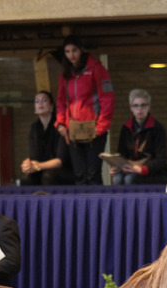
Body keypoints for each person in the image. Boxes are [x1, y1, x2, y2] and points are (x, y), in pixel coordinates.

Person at [55, 35, 114, 185]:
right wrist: (60, 123)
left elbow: (107, 99)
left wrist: (100, 127)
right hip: (73, 129)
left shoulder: (97, 69)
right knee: (80, 175)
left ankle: (97, 207)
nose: (71, 55)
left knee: (93, 174)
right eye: (67, 52)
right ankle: (82, 208)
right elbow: (61, 100)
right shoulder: (65, 74)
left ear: (81, 50)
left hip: (94, 128)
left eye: (74, 50)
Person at [111, 89, 167, 185]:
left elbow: (161, 160)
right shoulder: (126, 128)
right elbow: (122, 154)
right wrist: (117, 167)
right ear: (131, 108)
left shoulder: (157, 128)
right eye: (136, 105)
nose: (139, 109)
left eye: (143, 105)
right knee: (117, 178)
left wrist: (141, 169)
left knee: (129, 180)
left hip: (153, 172)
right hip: (131, 168)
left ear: (149, 107)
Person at [20, 91, 74, 186]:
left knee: (48, 176)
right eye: (37, 101)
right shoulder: (34, 127)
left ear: (51, 107)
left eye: (44, 100)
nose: (40, 103)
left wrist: (37, 166)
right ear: (35, 108)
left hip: (63, 170)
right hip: (41, 168)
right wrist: (28, 164)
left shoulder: (60, 126)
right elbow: (34, 156)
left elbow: (60, 161)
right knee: (26, 179)